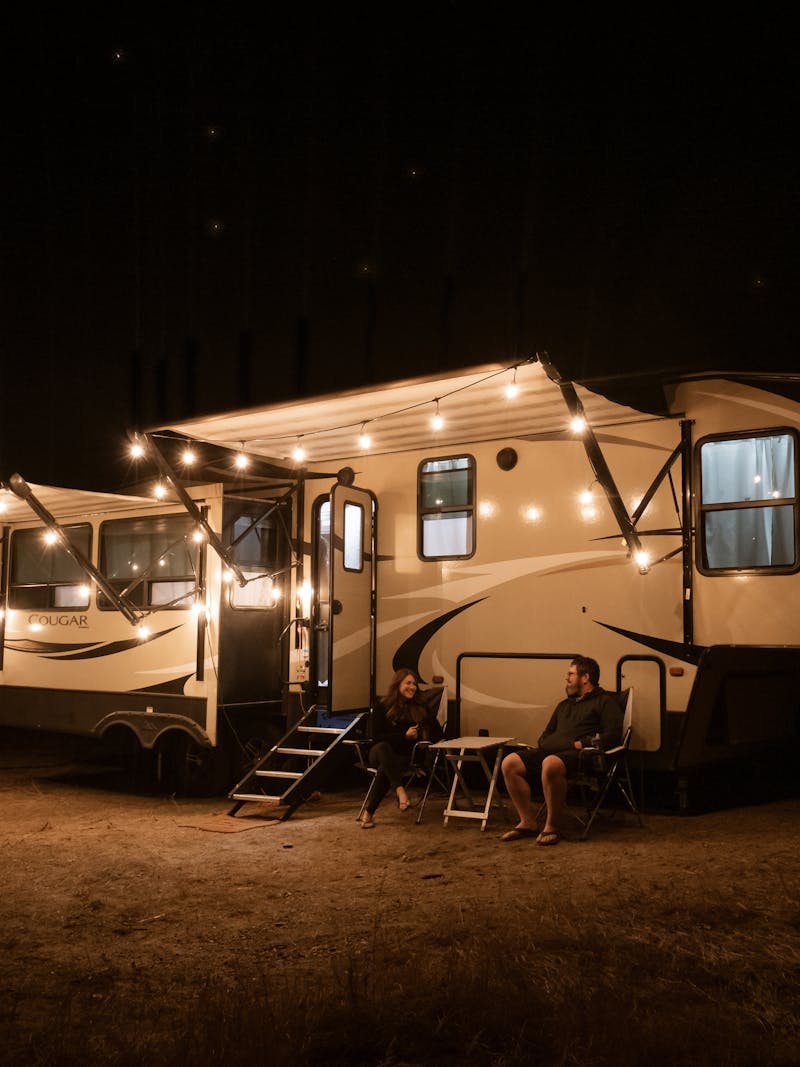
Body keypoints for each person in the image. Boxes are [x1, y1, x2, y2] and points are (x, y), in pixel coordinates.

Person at [499, 655, 622, 846]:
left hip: (582, 756)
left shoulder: (604, 702)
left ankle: (552, 826)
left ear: (585, 677)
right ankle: (528, 822)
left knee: (550, 763)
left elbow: (614, 734)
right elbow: (544, 737)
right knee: (510, 762)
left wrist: (582, 743)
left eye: (571, 674)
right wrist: (555, 744)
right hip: (553, 751)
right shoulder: (563, 706)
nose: (567, 678)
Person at [359, 668, 443, 829]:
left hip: (403, 758)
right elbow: (375, 738)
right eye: (408, 683)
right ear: (398, 684)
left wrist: (425, 741)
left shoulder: (421, 707)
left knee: (387, 767)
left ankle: (369, 812)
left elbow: (438, 732)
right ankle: (400, 789)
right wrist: (403, 736)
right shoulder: (382, 706)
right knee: (383, 749)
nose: (412, 687)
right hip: (378, 752)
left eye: (414, 684)